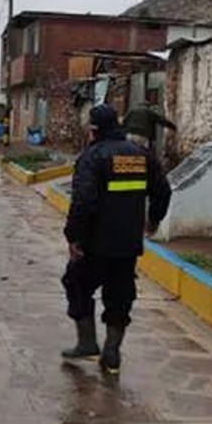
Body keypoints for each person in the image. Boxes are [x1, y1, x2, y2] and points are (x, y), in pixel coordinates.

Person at [62, 104, 171, 374]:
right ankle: (112, 353)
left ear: (94, 130)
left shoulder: (93, 156)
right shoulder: (142, 155)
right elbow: (163, 190)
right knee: (120, 296)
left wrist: (74, 237)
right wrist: (154, 219)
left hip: (94, 244)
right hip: (127, 245)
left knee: (76, 284)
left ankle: (87, 343)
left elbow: (84, 202)